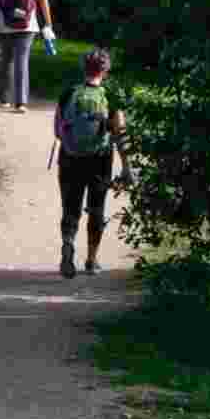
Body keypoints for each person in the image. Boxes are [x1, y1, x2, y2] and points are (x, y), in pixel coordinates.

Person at [54, 47, 133, 279]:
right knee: (96, 209)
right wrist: (126, 167)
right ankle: (91, 260)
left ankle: (68, 244)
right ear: (105, 71)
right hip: (100, 160)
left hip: (70, 158)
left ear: (84, 68)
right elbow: (120, 132)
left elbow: (58, 130)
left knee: (71, 207)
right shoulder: (111, 97)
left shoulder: (69, 93)